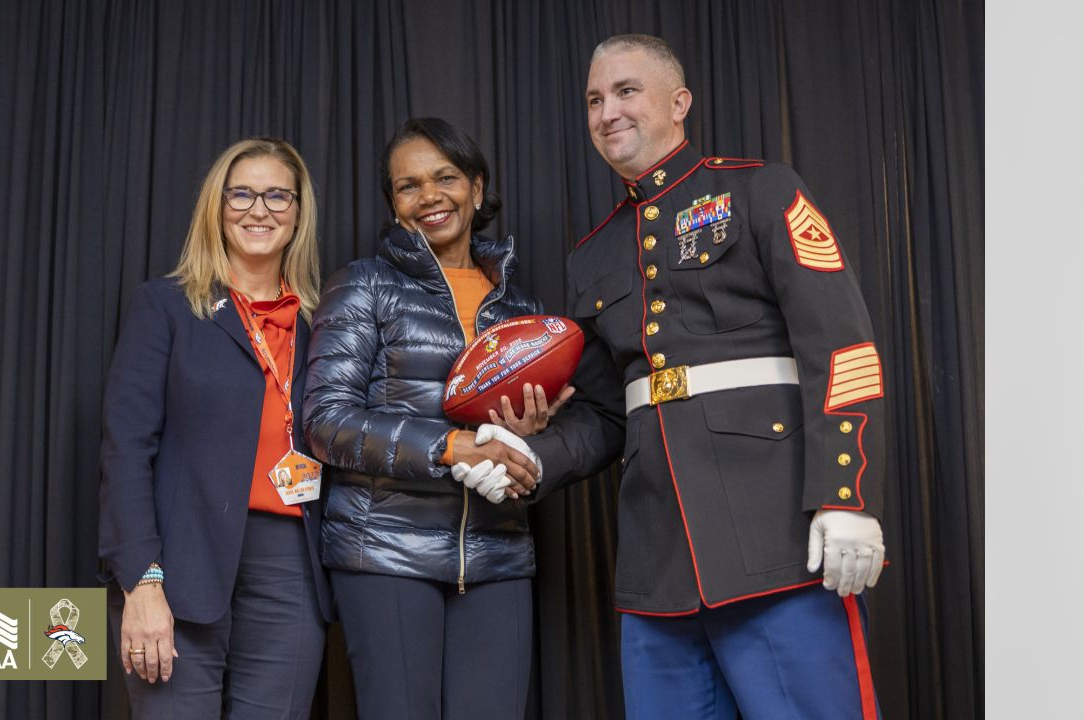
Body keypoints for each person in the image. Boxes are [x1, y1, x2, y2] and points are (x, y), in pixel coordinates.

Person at [506, 34, 888, 719]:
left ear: (679, 103)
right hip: (657, 568)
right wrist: (531, 455)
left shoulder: (760, 190)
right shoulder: (590, 258)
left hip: (777, 538)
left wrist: (845, 493)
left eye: (626, 91)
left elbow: (842, 350)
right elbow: (603, 416)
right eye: (594, 99)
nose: (606, 111)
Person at [303, 117, 567, 720]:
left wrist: (528, 440)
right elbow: (326, 421)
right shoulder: (364, 286)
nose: (429, 197)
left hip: (497, 550)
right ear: (394, 205)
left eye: (445, 177)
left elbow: (522, 437)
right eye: (408, 186)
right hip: (386, 549)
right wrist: (452, 447)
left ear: (477, 188)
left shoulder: (522, 308)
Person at [99, 137, 330, 719]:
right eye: (243, 194)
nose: (260, 210)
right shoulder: (166, 307)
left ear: (299, 211)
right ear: (217, 207)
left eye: (278, 195)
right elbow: (126, 450)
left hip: (291, 571)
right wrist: (142, 581)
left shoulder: (323, 322)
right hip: (179, 565)